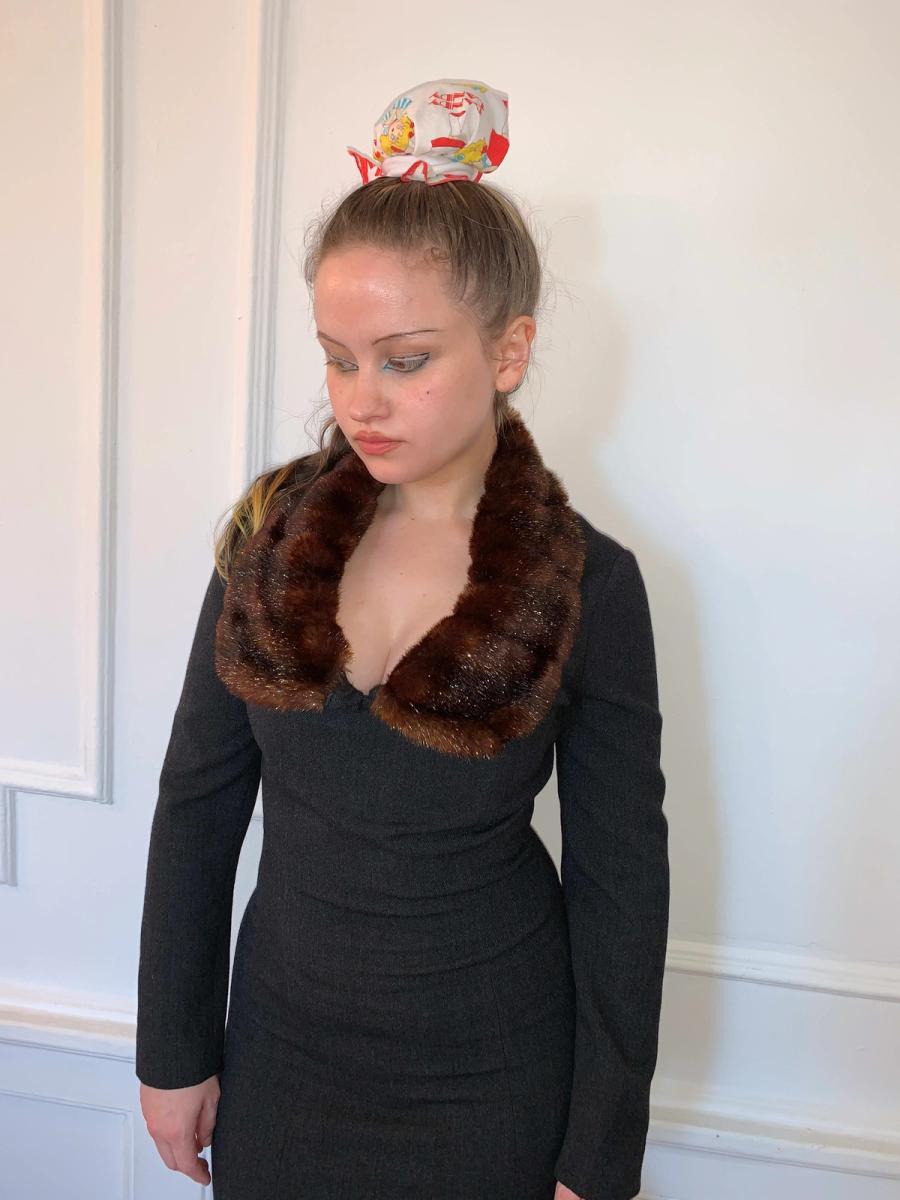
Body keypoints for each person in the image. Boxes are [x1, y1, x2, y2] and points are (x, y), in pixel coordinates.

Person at [135, 77, 670, 1200]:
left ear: (508, 351)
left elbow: (621, 879)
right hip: (280, 1064)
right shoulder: (269, 540)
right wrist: (173, 1052)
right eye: (338, 356)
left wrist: (598, 1153)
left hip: (496, 1084)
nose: (360, 400)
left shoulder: (589, 585)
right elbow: (196, 802)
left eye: (405, 359)